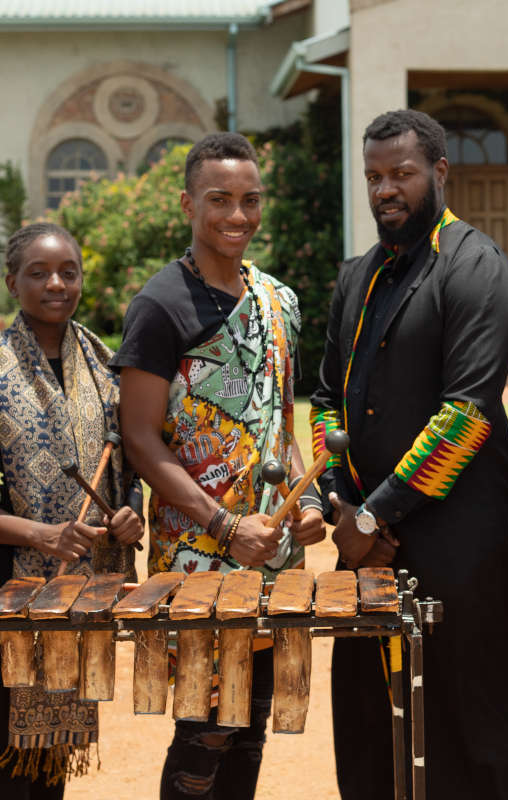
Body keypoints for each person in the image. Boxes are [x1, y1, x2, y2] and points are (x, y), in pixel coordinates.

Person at [309, 109, 508, 800]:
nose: (387, 189)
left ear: (440, 173)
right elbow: (326, 399)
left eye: (403, 174)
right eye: (375, 176)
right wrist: (342, 508)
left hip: (462, 537)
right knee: (368, 709)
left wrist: (375, 515)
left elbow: (466, 417)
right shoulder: (358, 276)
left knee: (480, 703)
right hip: (364, 541)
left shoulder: (477, 267)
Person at [114, 132, 325, 799]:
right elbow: (141, 438)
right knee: (204, 728)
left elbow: (277, 421)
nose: (237, 214)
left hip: (272, 551)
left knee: (253, 721)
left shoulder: (279, 301)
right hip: (197, 556)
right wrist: (227, 528)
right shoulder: (160, 305)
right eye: (219, 200)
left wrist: (307, 501)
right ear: (187, 204)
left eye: (250, 199)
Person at [0, 222, 145, 797]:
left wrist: (128, 513)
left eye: (68, 272)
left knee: (56, 745)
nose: (56, 283)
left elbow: (127, 473)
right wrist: (41, 534)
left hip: (92, 584)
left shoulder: (109, 370)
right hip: (17, 583)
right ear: (13, 282)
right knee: (13, 743)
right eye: (38, 273)